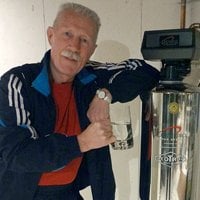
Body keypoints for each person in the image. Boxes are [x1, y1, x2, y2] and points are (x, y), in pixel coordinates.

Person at [0, 2, 159, 200]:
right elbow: (17, 153)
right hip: (20, 195)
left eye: (84, 40)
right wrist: (81, 143)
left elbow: (144, 71)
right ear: (51, 36)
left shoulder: (91, 77)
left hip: (69, 192)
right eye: (68, 34)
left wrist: (105, 94)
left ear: (92, 49)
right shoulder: (18, 82)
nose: (74, 47)